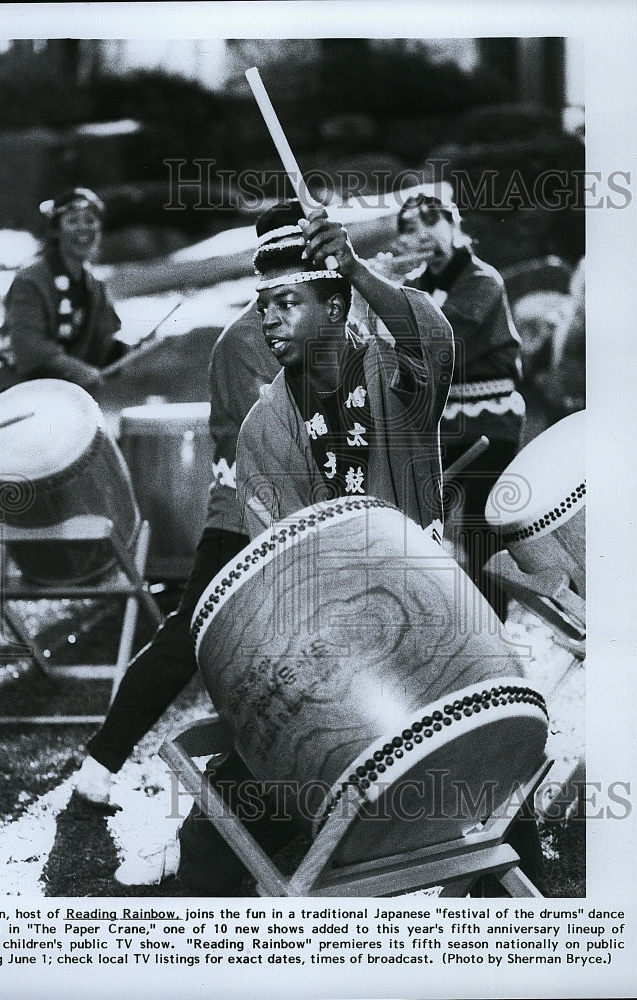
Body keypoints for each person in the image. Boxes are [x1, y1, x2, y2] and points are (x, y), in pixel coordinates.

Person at [172, 201, 456, 894]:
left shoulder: (396, 377)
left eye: (287, 302)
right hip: (337, 660)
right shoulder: (267, 425)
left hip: (431, 641)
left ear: (337, 306)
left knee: (492, 784)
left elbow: (434, 336)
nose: (268, 318)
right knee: (210, 831)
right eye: (263, 303)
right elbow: (289, 573)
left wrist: (356, 265)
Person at [74, 285, 280, 815]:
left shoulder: (326, 325)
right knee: (189, 635)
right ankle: (100, 764)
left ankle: (291, 782)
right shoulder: (244, 341)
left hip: (299, 517)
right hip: (242, 516)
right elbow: (259, 436)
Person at [391, 190, 525, 623]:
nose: (424, 233)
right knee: (416, 525)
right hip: (437, 426)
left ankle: (493, 628)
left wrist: (391, 294)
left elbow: (445, 342)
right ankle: (433, 627)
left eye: (433, 220)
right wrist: (381, 288)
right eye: (411, 227)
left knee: (480, 528)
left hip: (490, 420)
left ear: (453, 223)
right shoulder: (410, 287)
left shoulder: (484, 280)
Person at [0, 187, 126, 398]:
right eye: (73, 221)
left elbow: (102, 340)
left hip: (62, 396)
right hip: (13, 392)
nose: (83, 229)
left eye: (90, 220)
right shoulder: (30, 280)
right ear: (56, 230)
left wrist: (122, 351)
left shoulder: (95, 285)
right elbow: (29, 346)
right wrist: (78, 369)